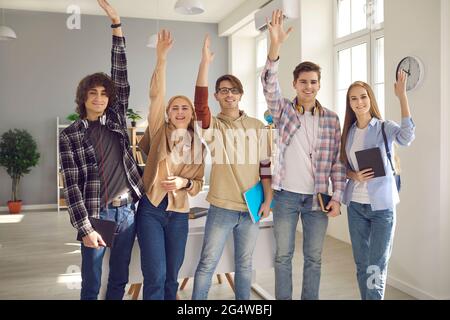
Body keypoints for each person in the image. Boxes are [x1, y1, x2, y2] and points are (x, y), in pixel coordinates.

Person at [59, 0, 145, 300]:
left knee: (119, 277)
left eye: (104, 94)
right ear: (83, 98)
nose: (99, 98)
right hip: (98, 214)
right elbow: (72, 188)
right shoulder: (70, 135)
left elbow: (119, 72)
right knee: (92, 280)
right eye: (93, 93)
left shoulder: (117, 120)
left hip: (128, 212)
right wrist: (84, 228)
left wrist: (116, 23)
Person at [260, 10, 346, 300]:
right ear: (295, 84)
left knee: (314, 258)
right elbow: (268, 83)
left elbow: (337, 163)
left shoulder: (331, 119)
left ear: (319, 85)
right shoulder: (283, 111)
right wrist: (275, 47)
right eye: (303, 82)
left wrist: (337, 198)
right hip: (285, 196)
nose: (308, 86)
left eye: (313, 82)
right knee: (282, 257)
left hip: (317, 199)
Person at [191, 35, 273, 300]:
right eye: (223, 90)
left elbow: (265, 167)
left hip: (251, 209)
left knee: (245, 265)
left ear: (240, 94)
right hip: (222, 208)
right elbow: (199, 106)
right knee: (207, 263)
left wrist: (268, 199)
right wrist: (204, 62)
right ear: (217, 96)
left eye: (233, 90)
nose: (229, 94)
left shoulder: (258, 126)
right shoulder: (212, 125)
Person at [136, 29, 205, 300]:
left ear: (191, 115)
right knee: (156, 275)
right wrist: (161, 59)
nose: (179, 111)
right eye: (174, 108)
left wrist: (183, 182)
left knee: (172, 279)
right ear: (167, 113)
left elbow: (198, 184)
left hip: (178, 214)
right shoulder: (157, 131)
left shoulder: (198, 145)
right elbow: (156, 95)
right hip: (151, 210)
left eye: (184, 108)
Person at [340, 71, 415, 300]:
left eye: (363, 97)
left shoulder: (384, 127)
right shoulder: (348, 133)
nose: (359, 102)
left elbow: (407, 137)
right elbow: (340, 167)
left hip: (382, 208)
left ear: (370, 99)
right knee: (362, 264)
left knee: (376, 266)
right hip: (356, 206)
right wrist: (353, 174)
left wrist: (402, 97)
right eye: (354, 98)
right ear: (350, 103)